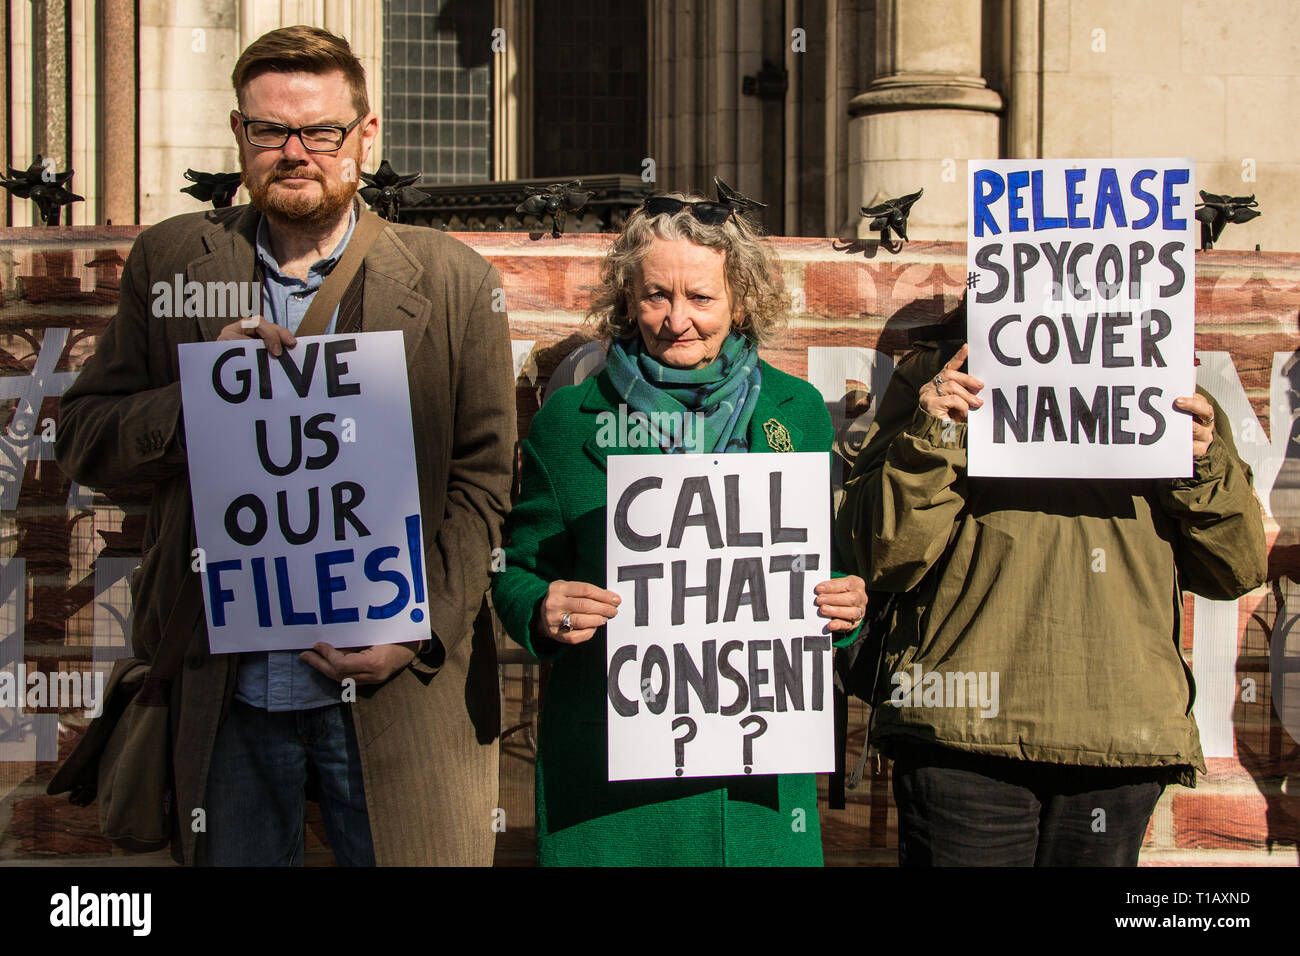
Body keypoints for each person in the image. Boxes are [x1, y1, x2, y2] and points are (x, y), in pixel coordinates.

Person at [55, 26, 515, 866]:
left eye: (321, 131)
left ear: (366, 138)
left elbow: (482, 484)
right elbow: (87, 440)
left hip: (394, 695)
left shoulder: (453, 282)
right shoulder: (175, 262)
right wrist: (197, 397)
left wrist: (416, 631)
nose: (294, 152)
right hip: (224, 690)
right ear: (240, 136)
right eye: (270, 131)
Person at [491, 193, 868, 866]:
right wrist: (542, 609)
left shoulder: (798, 412)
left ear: (741, 302)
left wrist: (848, 607)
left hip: (757, 796)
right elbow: (515, 573)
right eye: (656, 296)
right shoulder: (570, 420)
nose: (676, 320)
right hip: (612, 796)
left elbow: (826, 571)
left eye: (701, 297)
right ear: (628, 300)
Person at [835, 305, 1267, 866]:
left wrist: (1203, 464)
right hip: (960, 732)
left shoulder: (1169, 387)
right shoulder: (943, 375)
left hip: (1116, 735)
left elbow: (1234, 568)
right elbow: (883, 553)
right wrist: (936, 430)